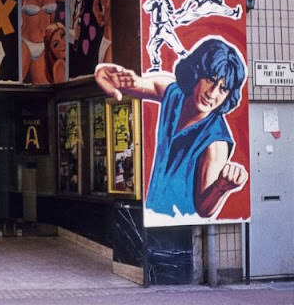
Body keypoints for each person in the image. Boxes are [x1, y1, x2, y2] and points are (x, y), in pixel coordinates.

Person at [94, 38, 248, 218]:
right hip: (150, 215)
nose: (212, 93)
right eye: (210, 79)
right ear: (197, 72)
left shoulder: (216, 142)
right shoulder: (175, 94)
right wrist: (105, 73)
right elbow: (137, 83)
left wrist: (222, 186)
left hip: (179, 224)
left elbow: (204, 209)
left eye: (223, 89)